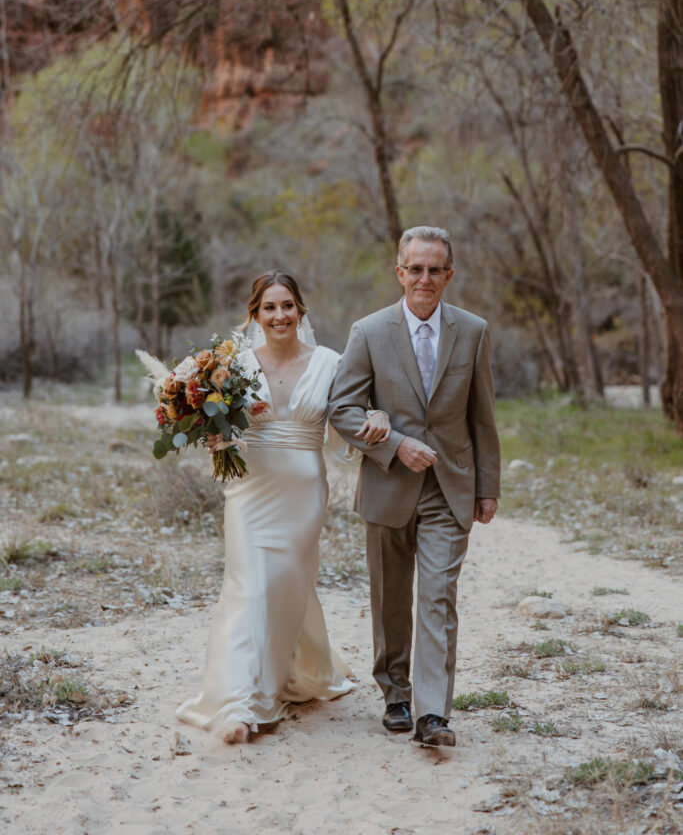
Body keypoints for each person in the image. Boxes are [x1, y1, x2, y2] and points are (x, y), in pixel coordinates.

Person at [176, 270, 390, 744]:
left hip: (303, 497)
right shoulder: (230, 367)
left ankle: (295, 670)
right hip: (249, 492)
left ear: (301, 311)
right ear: (254, 315)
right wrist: (215, 439)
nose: (280, 315)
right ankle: (241, 703)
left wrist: (378, 413)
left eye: (287, 306)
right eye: (269, 307)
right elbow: (218, 427)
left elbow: (357, 409)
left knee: (287, 588)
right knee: (249, 587)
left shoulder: (330, 363)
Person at [328, 226, 500, 747]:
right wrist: (394, 444)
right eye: (415, 268)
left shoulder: (472, 331)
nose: (425, 278)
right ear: (400, 272)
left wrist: (487, 486)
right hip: (388, 484)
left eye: (435, 269)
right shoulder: (369, 332)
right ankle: (395, 693)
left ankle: (432, 715)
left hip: (451, 487)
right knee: (390, 598)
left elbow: (483, 417)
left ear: (449, 275)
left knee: (437, 597)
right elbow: (342, 409)